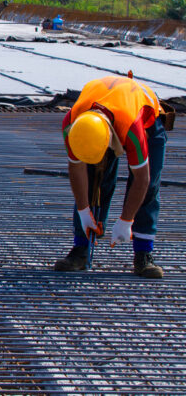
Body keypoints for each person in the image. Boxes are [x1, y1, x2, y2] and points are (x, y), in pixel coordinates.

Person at [53, 75, 170, 278]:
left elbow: (142, 179)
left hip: (146, 115)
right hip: (104, 112)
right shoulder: (72, 124)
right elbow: (77, 168)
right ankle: (81, 249)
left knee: (149, 189)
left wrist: (126, 220)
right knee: (94, 179)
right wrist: (83, 211)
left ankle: (143, 253)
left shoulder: (133, 128)